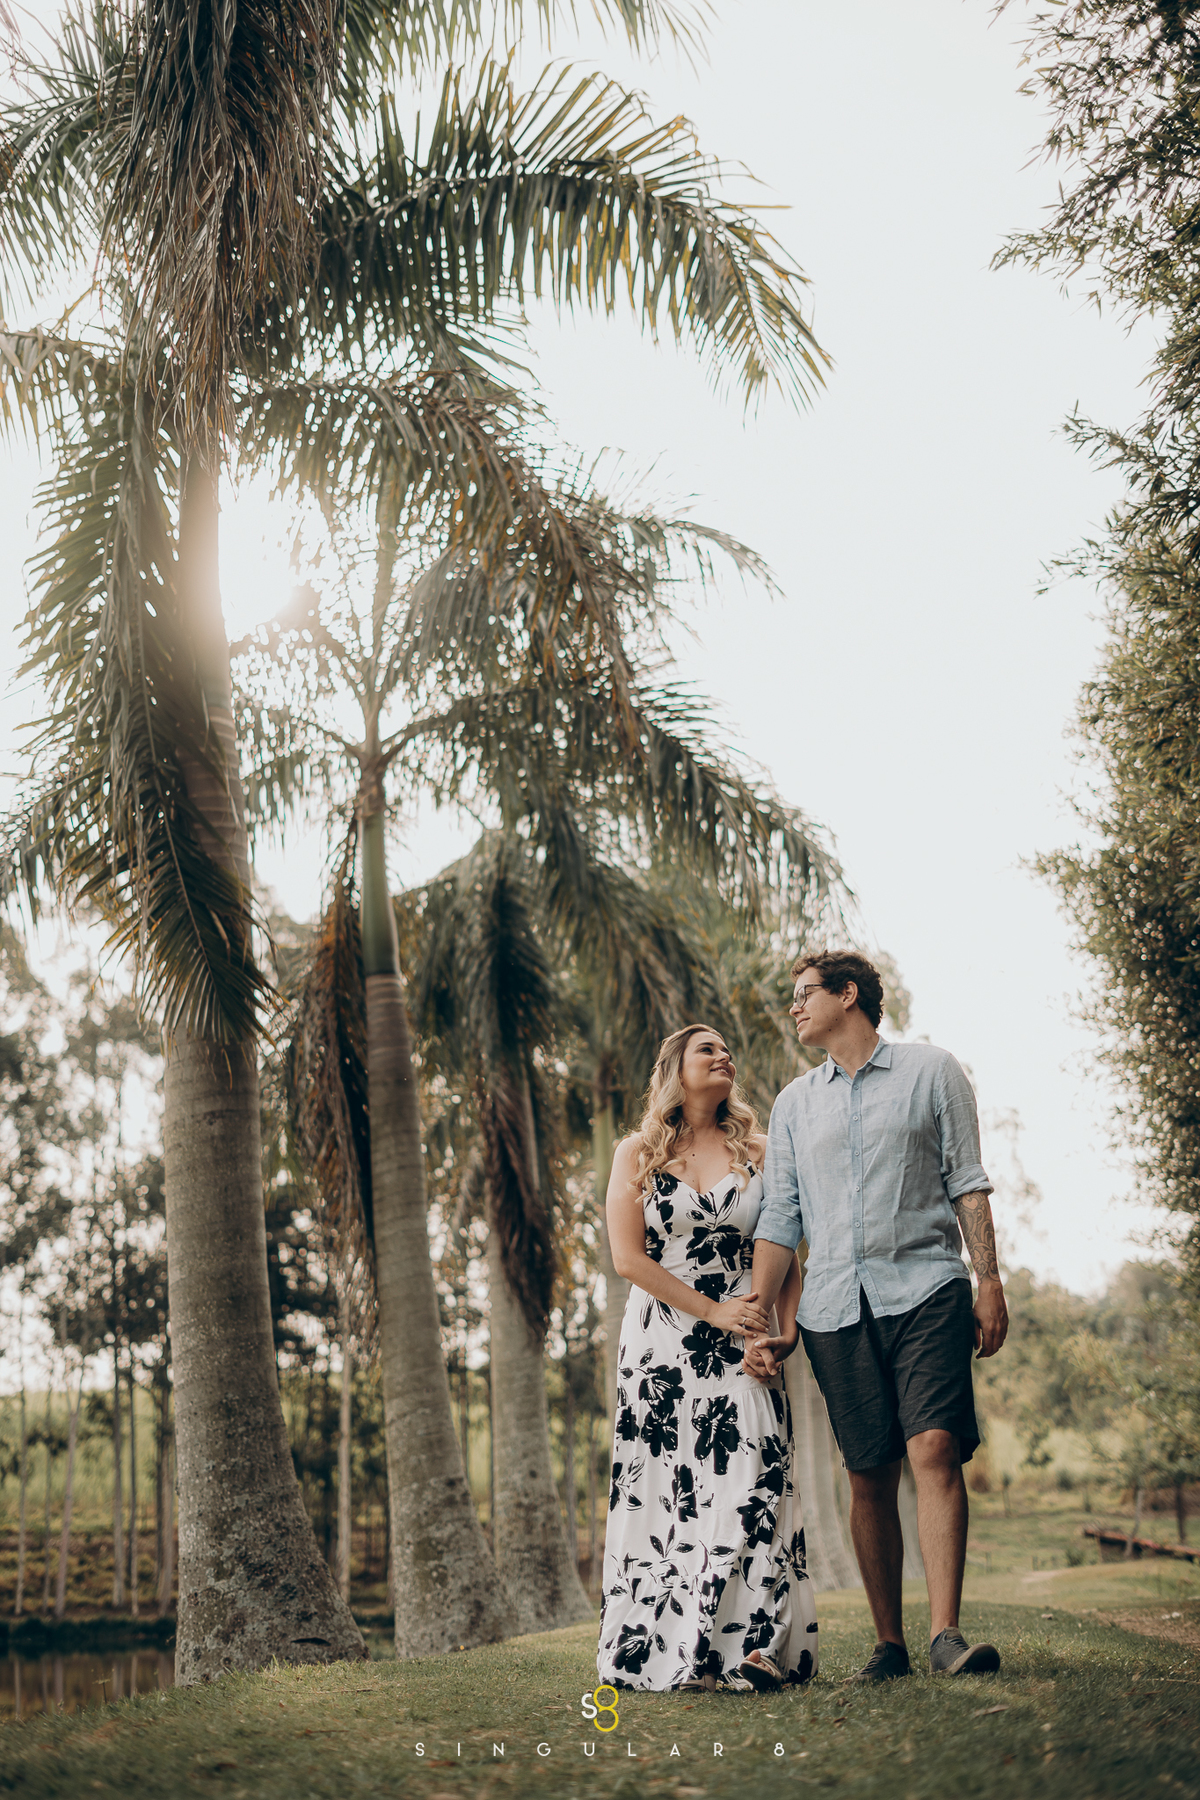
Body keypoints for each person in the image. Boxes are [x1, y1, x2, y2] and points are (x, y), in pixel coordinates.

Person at [745, 950, 1009, 1684]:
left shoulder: (933, 1071)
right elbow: (782, 1216)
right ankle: (889, 1645)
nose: (795, 1007)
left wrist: (989, 1279)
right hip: (834, 1308)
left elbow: (967, 1180)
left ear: (848, 993)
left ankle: (945, 1635)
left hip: (927, 1288)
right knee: (868, 1474)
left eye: (805, 993)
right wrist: (762, 1317)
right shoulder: (794, 1104)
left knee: (934, 1447)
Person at [596, 1023, 819, 1693]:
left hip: (745, 1337)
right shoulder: (636, 1153)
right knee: (670, 1495)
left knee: (755, 1477)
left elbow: (784, 1248)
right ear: (676, 1068)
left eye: (727, 1049)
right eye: (707, 1049)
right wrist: (710, 1310)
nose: (724, 1056)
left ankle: (756, 1649)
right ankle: (681, 1654)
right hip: (661, 1345)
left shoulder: (760, 1150)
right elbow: (628, 1258)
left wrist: (783, 1332)